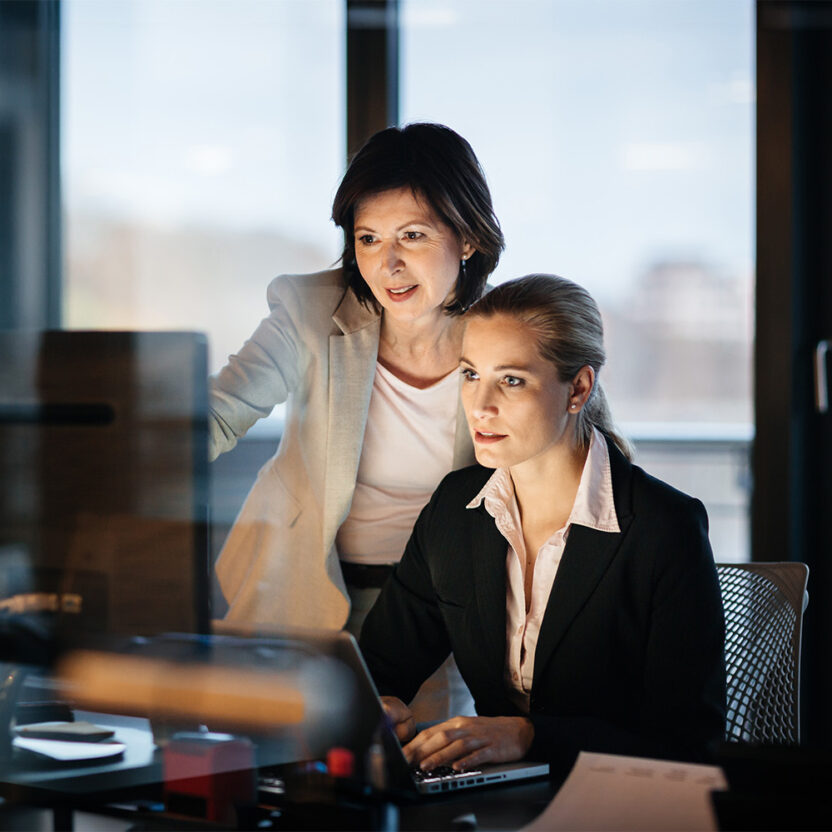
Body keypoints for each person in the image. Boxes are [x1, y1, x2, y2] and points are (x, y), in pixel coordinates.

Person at [359, 274, 726, 775]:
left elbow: (688, 744)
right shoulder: (455, 510)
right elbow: (378, 667)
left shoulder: (664, 529)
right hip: (496, 805)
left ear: (577, 388)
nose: (480, 405)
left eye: (511, 380)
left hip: (617, 809)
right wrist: (377, 706)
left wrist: (532, 737)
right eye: (470, 375)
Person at [209, 123, 504, 720]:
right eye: (368, 239)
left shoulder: (509, 333)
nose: (387, 263)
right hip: (299, 582)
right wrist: (121, 465)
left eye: (412, 236)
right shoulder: (311, 310)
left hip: (441, 606)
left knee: (425, 776)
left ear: (467, 238)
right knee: (290, 782)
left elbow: (590, 454)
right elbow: (220, 414)